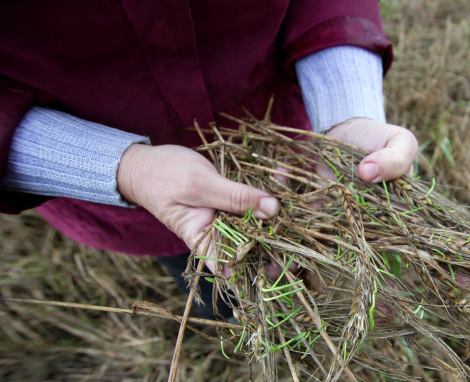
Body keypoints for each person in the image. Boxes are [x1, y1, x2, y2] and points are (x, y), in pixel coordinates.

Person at [0, 1, 417, 317]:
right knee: (222, 285)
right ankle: (243, 322)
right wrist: (125, 169)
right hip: (136, 204)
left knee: (316, 247)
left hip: (285, 137)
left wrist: (345, 112)